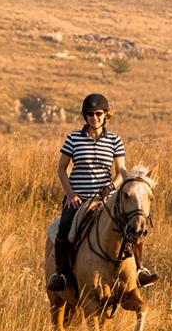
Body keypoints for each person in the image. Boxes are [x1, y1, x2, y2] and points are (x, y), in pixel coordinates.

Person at [47, 93, 158, 292]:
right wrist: (71, 194)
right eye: (90, 113)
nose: (94, 117)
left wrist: (119, 184)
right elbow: (61, 169)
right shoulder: (73, 138)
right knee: (63, 229)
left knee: (131, 227)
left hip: (106, 200)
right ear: (85, 115)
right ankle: (61, 274)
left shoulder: (115, 140)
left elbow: (120, 171)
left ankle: (139, 270)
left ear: (106, 115)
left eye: (98, 113)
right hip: (78, 199)